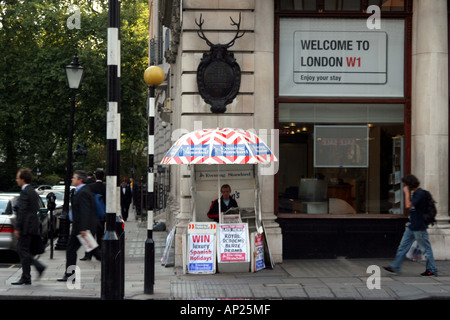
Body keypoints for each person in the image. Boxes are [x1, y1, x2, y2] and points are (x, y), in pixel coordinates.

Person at [383, 174, 438, 276]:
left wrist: (406, 193)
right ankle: (395, 266)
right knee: (402, 247)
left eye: (405, 184)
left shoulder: (419, 194)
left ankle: (432, 269)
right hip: (412, 226)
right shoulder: (416, 193)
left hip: (419, 227)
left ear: (409, 184)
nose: (404, 186)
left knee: (426, 249)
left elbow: (408, 205)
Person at [57, 170, 101, 282]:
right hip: (80, 227)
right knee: (81, 249)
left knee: (89, 250)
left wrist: (83, 228)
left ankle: (112, 266)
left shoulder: (83, 192)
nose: (72, 179)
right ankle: (70, 274)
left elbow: (85, 211)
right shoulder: (80, 191)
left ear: (80, 180)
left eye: (74, 178)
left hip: (82, 228)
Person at [12, 168, 46, 285]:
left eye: (18, 178)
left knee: (22, 250)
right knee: (24, 251)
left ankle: (28, 275)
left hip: (26, 227)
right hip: (32, 225)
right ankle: (30, 274)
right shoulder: (32, 191)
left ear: (23, 179)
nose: (17, 180)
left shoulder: (25, 192)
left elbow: (22, 211)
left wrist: (17, 227)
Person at [81, 169, 106, 261]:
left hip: (92, 214)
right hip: (101, 215)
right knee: (100, 235)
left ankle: (88, 255)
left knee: (90, 235)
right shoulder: (105, 187)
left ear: (96, 177)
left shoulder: (91, 187)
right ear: (103, 177)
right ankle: (100, 253)